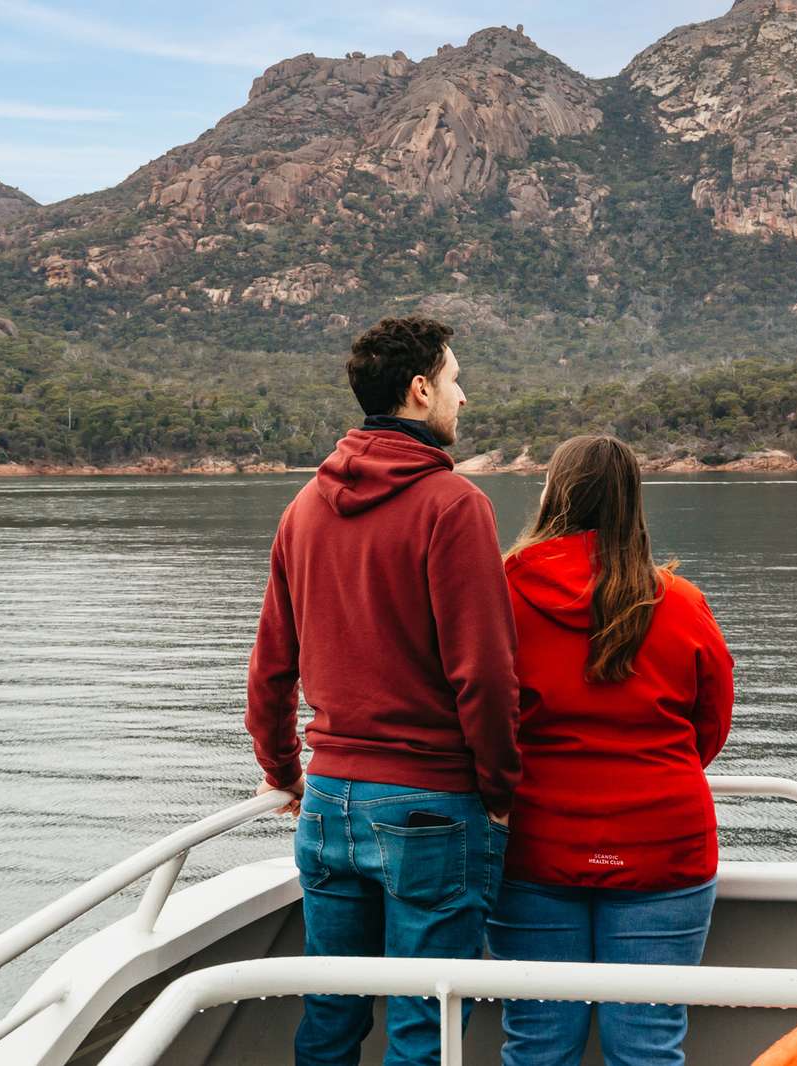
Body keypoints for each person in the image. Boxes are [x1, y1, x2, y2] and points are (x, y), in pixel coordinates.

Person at [245, 315, 522, 1066]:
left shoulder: (302, 509)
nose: (463, 399)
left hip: (328, 801)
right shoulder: (453, 506)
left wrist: (286, 776)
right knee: (423, 1020)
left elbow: (271, 668)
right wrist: (499, 786)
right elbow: (485, 673)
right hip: (431, 805)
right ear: (420, 388)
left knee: (330, 1013)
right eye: (456, 380)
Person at [485, 435, 734, 1066]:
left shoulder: (498, 598)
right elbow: (711, 726)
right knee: (649, 1047)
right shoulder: (680, 603)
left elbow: (479, 714)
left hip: (533, 844)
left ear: (552, 496)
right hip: (664, 843)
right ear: (633, 504)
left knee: (537, 1045)